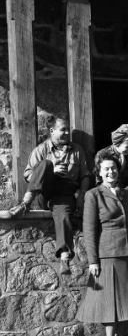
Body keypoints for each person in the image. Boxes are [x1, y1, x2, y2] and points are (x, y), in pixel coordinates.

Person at [77, 154, 128, 336]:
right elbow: (89, 230)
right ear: (99, 172)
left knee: (126, 305)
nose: (111, 172)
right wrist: (93, 261)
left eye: (114, 168)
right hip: (107, 255)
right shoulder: (93, 195)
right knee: (111, 307)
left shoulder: (125, 193)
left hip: (127, 254)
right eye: (106, 169)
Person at [9, 115, 91, 273]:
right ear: (52, 131)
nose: (67, 133)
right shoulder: (41, 150)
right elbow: (28, 175)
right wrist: (51, 171)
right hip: (45, 192)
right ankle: (26, 203)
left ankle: (65, 256)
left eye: (68, 129)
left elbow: (85, 175)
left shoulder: (77, 150)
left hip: (65, 192)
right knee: (45, 164)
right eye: (63, 130)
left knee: (64, 215)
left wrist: (81, 197)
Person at [95, 124, 128, 243]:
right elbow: (98, 180)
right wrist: (113, 191)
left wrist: (124, 192)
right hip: (107, 192)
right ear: (118, 143)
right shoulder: (102, 155)